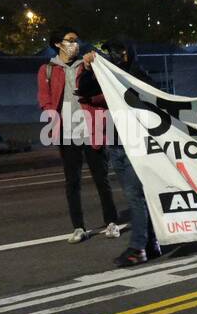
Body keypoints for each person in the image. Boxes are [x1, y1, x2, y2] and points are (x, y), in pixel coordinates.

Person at [79, 41, 161, 267]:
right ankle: (152, 243)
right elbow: (84, 91)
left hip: (136, 143)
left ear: (130, 52)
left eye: (120, 51)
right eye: (111, 51)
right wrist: (88, 68)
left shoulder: (137, 74)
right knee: (137, 197)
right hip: (115, 142)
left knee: (136, 196)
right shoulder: (107, 75)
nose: (115, 55)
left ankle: (137, 248)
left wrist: (125, 72)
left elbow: (155, 97)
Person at [37, 26, 121, 243]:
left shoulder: (89, 65)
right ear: (58, 43)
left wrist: (90, 98)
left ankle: (112, 222)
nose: (75, 44)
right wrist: (52, 117)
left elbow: (104, 94)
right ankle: (78, 227)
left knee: (101, 178)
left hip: (92, 129)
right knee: (72, 182)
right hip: (66, 132)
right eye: (70, 40)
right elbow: (44, 99)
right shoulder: (47, 70)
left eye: (77, 40)